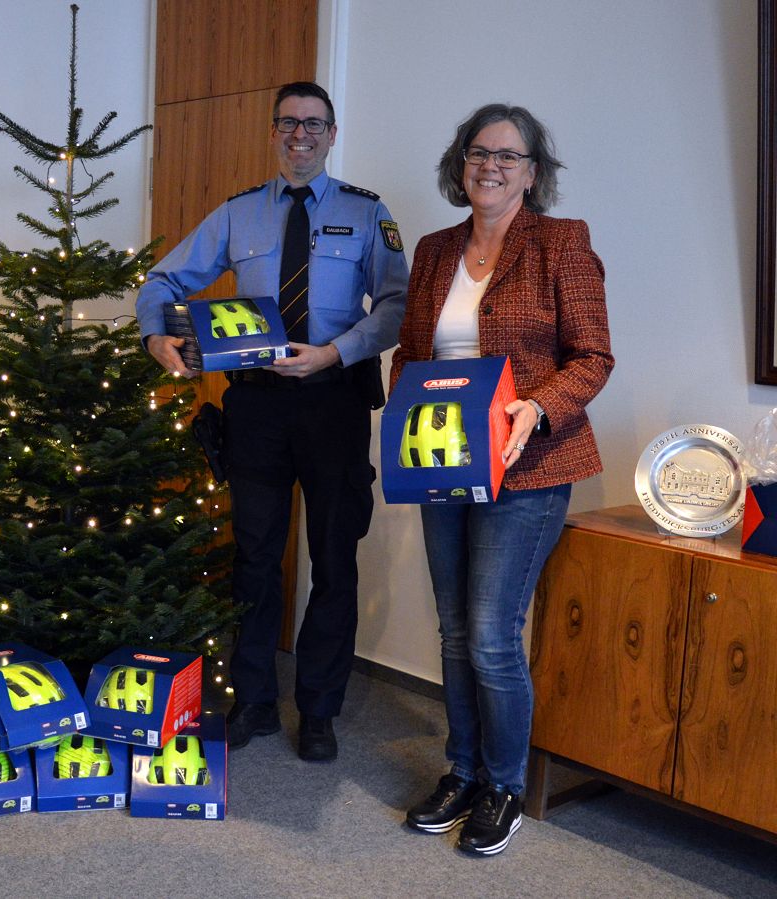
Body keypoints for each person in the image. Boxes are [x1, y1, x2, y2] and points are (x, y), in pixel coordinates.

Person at [136, 81, 408, 762]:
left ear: (332, 133)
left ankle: (319, 710)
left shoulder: (367, 214)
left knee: (334, 559)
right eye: (288, 123)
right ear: (272, 131)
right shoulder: (237, 215)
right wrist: (156, 337)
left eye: (313, 125)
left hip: (334, 401)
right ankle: (254, 700)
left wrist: (333, 353)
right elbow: (161, 282)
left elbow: (398, 306)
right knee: (255, 558)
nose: (299, 136)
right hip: (255, 407)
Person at [392, 104, 613, 855]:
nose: (492, 164)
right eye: (480, 152)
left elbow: (592, 357)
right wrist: (401, 423)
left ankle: (504, 783)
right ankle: (460, 770)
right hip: (444, 467)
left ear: (533, 172)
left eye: (509, 156)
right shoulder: (432, 251)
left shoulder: (562, 244)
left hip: (530, 469)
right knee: (454, 631)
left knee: (490, 635)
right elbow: (412, 356)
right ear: (461, 163)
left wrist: (537, 408)